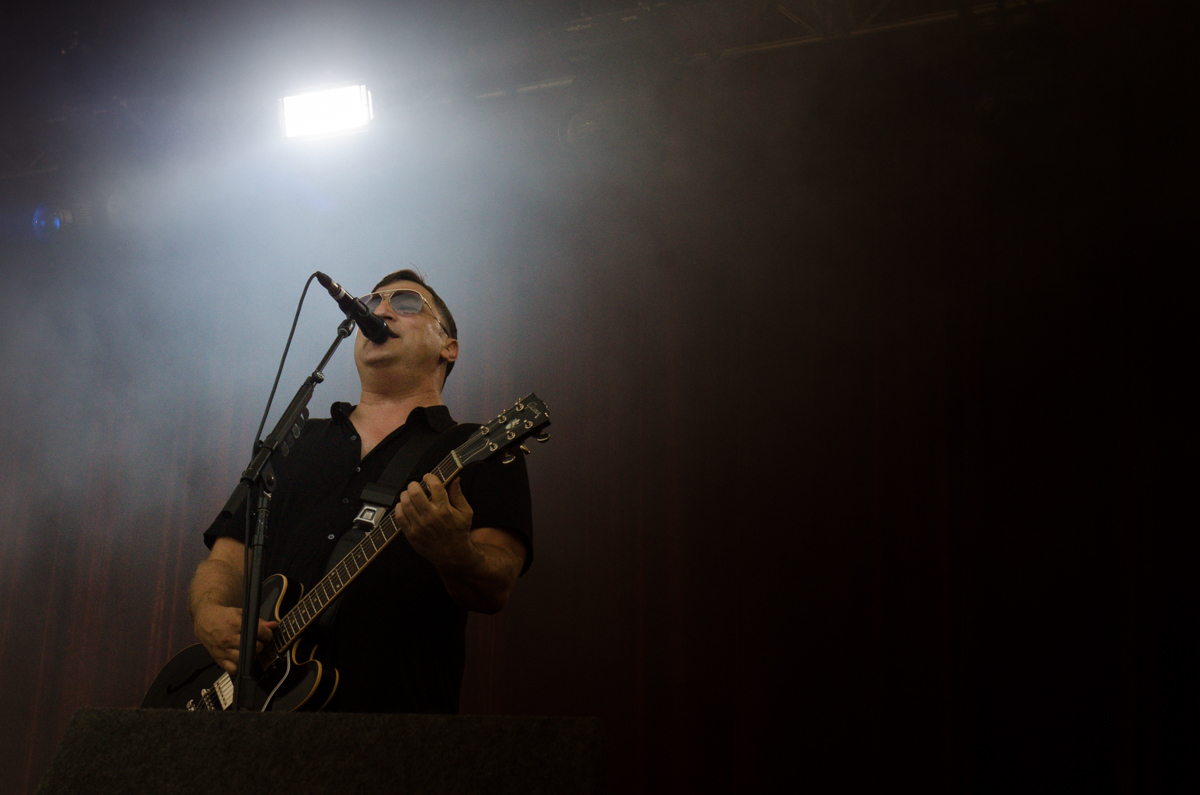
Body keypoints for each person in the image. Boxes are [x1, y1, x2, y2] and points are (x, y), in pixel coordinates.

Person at [188, 269, 533, 713]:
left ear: (449, 348)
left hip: (390, 729)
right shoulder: (295, 440)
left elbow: (496, 585)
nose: (381, 310)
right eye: (371, 303)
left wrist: (454, 553)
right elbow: (228, 556)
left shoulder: (479, 448)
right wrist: (210, 613)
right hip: (254, 719)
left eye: (406, 303)